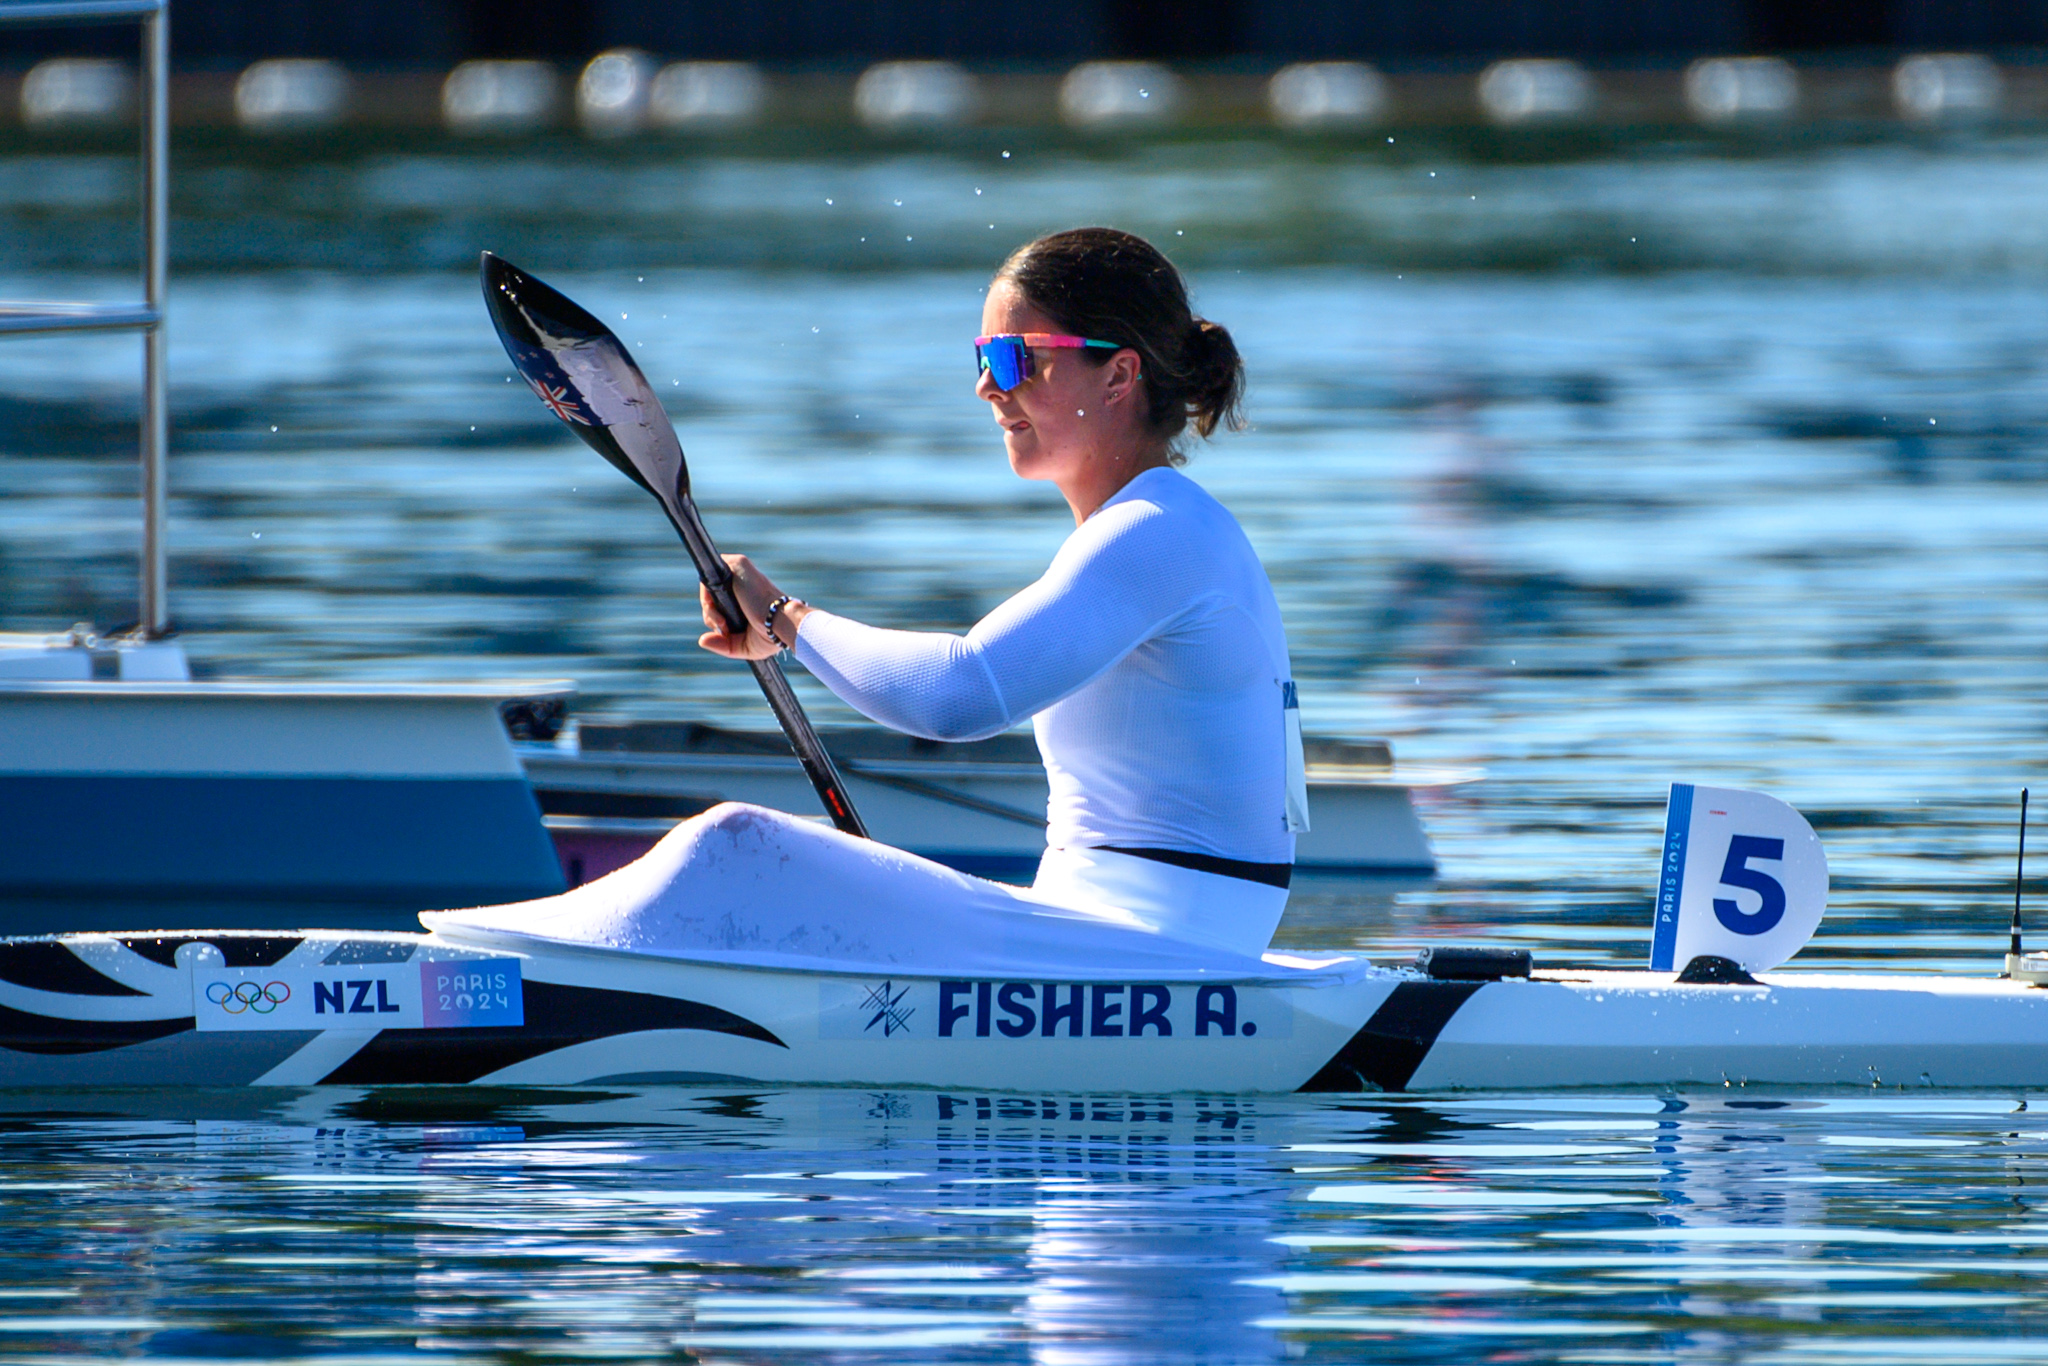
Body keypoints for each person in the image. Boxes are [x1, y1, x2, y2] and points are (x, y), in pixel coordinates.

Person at [694, 226, 1311, 958]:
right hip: (1123, 930)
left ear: (1119, 376)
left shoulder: (1157, 532)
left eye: (1017, 358)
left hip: (1161, 943)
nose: (988, 386)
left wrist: (783, 617)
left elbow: (959, 695)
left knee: (731, 845)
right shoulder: (1156, 528)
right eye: (984, 357)